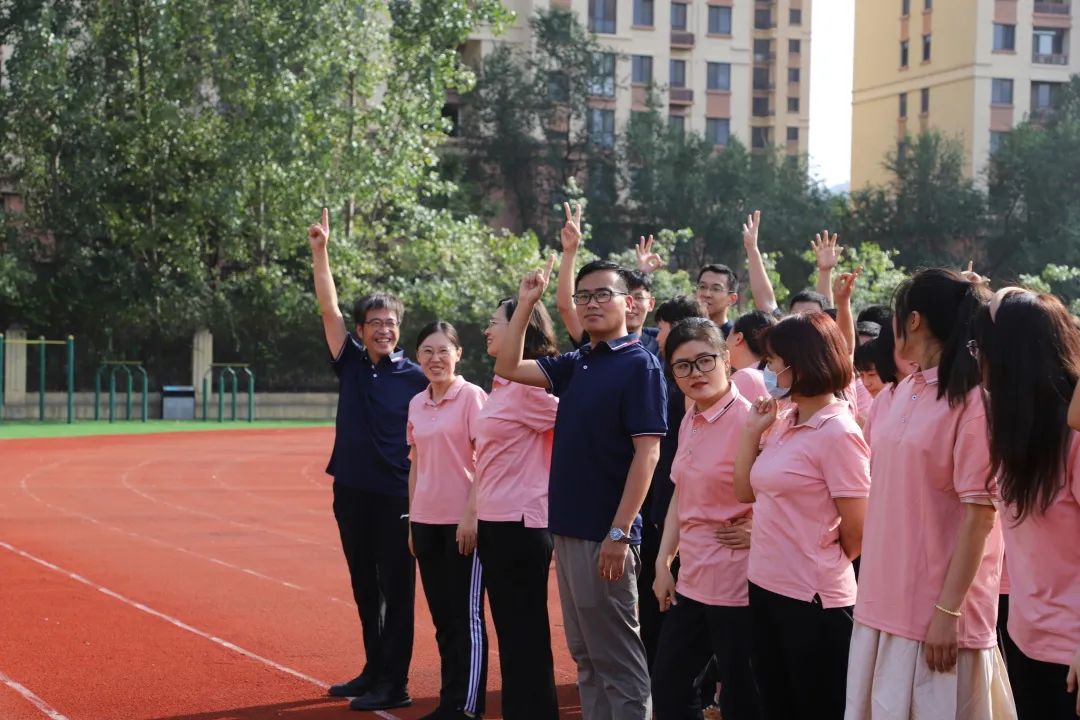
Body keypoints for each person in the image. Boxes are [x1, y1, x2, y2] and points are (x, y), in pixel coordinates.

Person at [495, 250, 668, 720]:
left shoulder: (640, 365)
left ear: (629, 302)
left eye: (602, 295)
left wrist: (619, 531)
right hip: (568, 529)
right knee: (586, 659)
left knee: (619, 661)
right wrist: (527, 303)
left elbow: (647, 453)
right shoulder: (579, 362)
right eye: (583, 296)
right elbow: (508, 367)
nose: (592, 304)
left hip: (605, 534)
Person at [847, 269, 1015, 720]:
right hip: (882, 604)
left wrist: (948, 611)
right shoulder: (902, 394)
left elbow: (981, 517)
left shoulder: (974, 404)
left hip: (938, 617)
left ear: (914, 320)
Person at [308, 208, 428, 712]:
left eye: (391, 323)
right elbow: (328, 308)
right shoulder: (353, 362)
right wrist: (321, 252)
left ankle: (395, 683)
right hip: (352, 489)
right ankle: (373, 669)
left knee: (397, 589)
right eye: (375, 322)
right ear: (361, 329)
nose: (384, 329)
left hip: (396, 494)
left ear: (400, 329)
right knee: (363, 585)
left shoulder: (418, 376)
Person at [733, 311, 871, 720]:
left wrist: (815, 560)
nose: (769, 370)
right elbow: (745, 491)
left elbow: (857, 529)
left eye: (775, 361)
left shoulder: (838, 432)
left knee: (817, 705)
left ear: (801, 363)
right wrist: (751, 432)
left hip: (813, 599)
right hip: (765, 583)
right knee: (776, 702)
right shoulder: (784, 419)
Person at [972, 288, 1080, 719]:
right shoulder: (1013, 431)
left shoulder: (1074, 439)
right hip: (1024, 638)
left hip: (1070, 654)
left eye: (981, 346)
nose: (976, 357)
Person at [651, 318, 762, 720]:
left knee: (742, 696)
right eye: (682, 366)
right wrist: (664, 562)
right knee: (669, 685)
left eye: (704, 361)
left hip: (740, 586)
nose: (695, 373)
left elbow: (787, 492)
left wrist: (760, 525)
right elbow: (682, 492)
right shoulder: (690, 418)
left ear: (727, 359)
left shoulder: (754, 421)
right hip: (692, 580)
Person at [475, 298, 561, 720]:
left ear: (520, 328)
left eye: (494, 324)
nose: (487, 331)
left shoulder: (529, 387)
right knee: (511, 633)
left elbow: (579, 421)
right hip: (496, 522)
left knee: (524, 633)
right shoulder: (503, 385)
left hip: (521, 523)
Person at [406, 322, 489, 720]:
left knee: (466, 618)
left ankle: (468, 707)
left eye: (443, 350)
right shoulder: (416, 403)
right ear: (417, 357)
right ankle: (448, 701)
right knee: (442, 620)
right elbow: (416, 464)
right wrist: (412, 520)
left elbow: (487, 462)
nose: (435, 359)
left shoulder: (473, 397)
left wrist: (471, 516)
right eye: (426, 351)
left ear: (458, 354)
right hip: (425, 523)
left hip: (463, 524)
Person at [639, 295, 709, 668]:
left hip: (700, 530)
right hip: (662, 511)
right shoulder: (665, 381)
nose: (659, 334)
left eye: (663, 326)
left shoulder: (731, 409)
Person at [556, 203, 660, 353]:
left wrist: (642, 275)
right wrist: (569, 252)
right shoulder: (595, 339)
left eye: (638, 297)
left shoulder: (661, 342)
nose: (633, 304)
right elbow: (566, 307)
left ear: (651, 303)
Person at [744, 212, 840, 316]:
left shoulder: (825, 329)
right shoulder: (782, 330)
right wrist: (752, 248)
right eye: (796, 314)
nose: (802, 319)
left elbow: (825, 310)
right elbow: (766, 303)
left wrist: (825, 272)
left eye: (811, 315)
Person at [728, 310, 777, 400]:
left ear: (738, 338)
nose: (725, 342)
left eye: (728, 335)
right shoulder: (772, 377)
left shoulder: (745, 377)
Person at [695, 264, 740, 337]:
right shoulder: (685, 332)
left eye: (716, 289)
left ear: (732, 299)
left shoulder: (734, 337)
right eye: (702, 287)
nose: (707, 294)